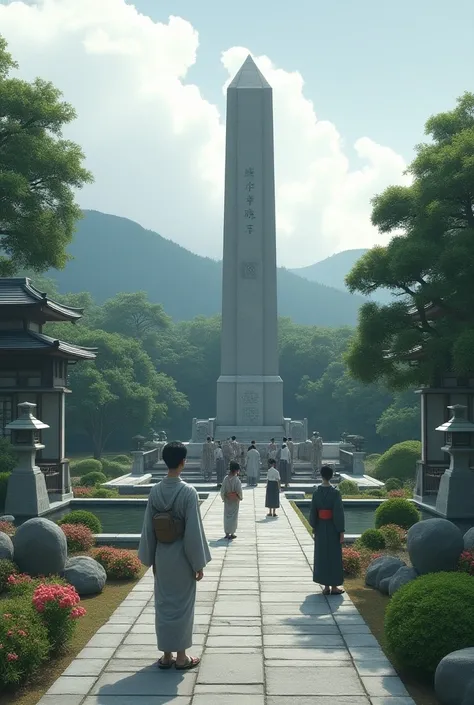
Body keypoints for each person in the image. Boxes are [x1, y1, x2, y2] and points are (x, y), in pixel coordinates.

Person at [138, 441, 211, 670]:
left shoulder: (155, 491)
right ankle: (182, 657)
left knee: (164, 605)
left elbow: (149, 529)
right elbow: (192, 533)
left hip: (162, 555)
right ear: (183, 462)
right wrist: (198, 563)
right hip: (181, 557)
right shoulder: (188, 492)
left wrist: (150, 558)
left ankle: (166, 655)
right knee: (182, 606)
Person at [308, 464, 345, 596]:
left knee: (322, 555)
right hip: (333, 527)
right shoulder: (335, 493)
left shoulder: (316, 492)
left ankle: (326, 586)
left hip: (320, 527)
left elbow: (313, 512)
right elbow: (338, 513)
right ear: (332, 475)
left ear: (321, 475)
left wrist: (314, 526)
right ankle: (334, 586)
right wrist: (341, 531)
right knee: (334, 556)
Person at [220, 460, 243, 539]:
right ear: (236, 470)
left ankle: (227, 533)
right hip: (234, 501)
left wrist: (224, 497)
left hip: (227, 500)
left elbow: (222, 491)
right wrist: (239, 497)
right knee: (233, 517)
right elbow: (239, 492)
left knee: (226, 516)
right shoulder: (237, 480)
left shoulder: (225, 479)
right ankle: (232, 533)